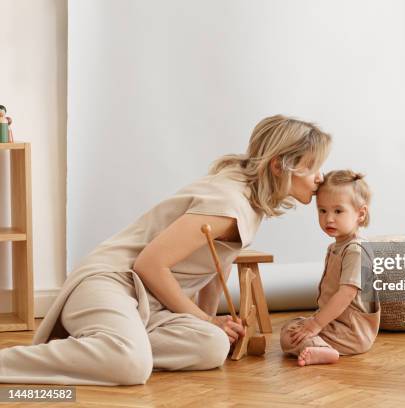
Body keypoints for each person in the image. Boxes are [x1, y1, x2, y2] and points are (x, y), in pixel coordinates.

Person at [0, 114, 331, 385]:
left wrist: (211, 322)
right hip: (112, 282)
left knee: (211, 346)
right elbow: (150, 264)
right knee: (131, 365)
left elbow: (219, 263)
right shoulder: (227, 202)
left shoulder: (250, 199)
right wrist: (203, 317)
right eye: (314, 166)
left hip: (151, 304)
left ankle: (103, 345)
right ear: (280, 166)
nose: (320, 177)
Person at [280, 170, 380, 366]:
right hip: (336, 324)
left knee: (292, 335)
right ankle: (317, 346)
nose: (329, 219)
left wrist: (316, 324)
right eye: (322, 211)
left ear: (360, 213)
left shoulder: (356, 250)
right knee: (290, 329)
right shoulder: (336, 247)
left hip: (352, 332)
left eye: (338, 211)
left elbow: (347, 294)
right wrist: (312, 322)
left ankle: (323, 350)